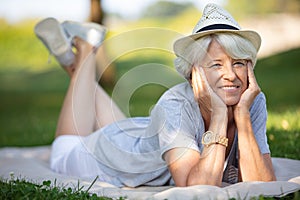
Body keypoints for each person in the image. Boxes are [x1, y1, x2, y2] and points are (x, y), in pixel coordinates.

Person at [35, 3, 276, 187]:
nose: (231, 76)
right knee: (62, 150)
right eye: (216, 65)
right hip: (107, 156)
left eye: (238, 63)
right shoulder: (173, 105)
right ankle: (86, 49)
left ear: (250, 67)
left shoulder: (251, 100)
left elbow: (263, 184)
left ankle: (70, 59)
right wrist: (220, 117)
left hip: (136, 134)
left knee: (101, 106)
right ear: (194, 73)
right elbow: (198, 188)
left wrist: (242, 117)